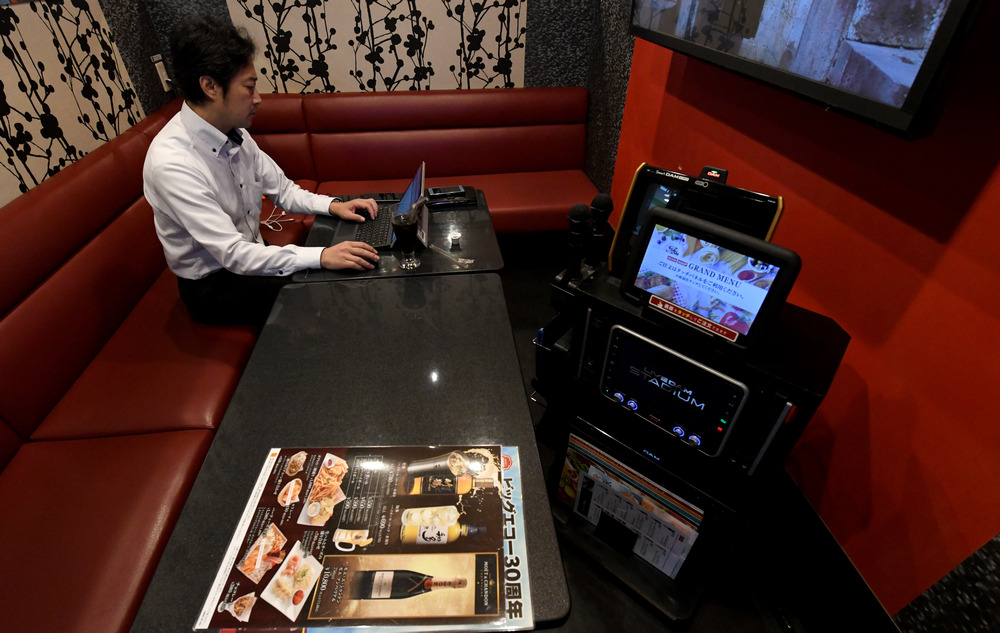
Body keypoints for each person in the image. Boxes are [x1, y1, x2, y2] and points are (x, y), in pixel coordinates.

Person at [143, 14, 379, 326]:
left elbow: (283, 191)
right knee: (326, 289)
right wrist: (322, 255)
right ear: (210, 86)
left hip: (252, 253)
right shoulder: (173, 163)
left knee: (344, 271)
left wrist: (334, 205)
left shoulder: (232, 130)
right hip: (215, 285)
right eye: (249, 87)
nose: (258, 99)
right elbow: (234, 255)